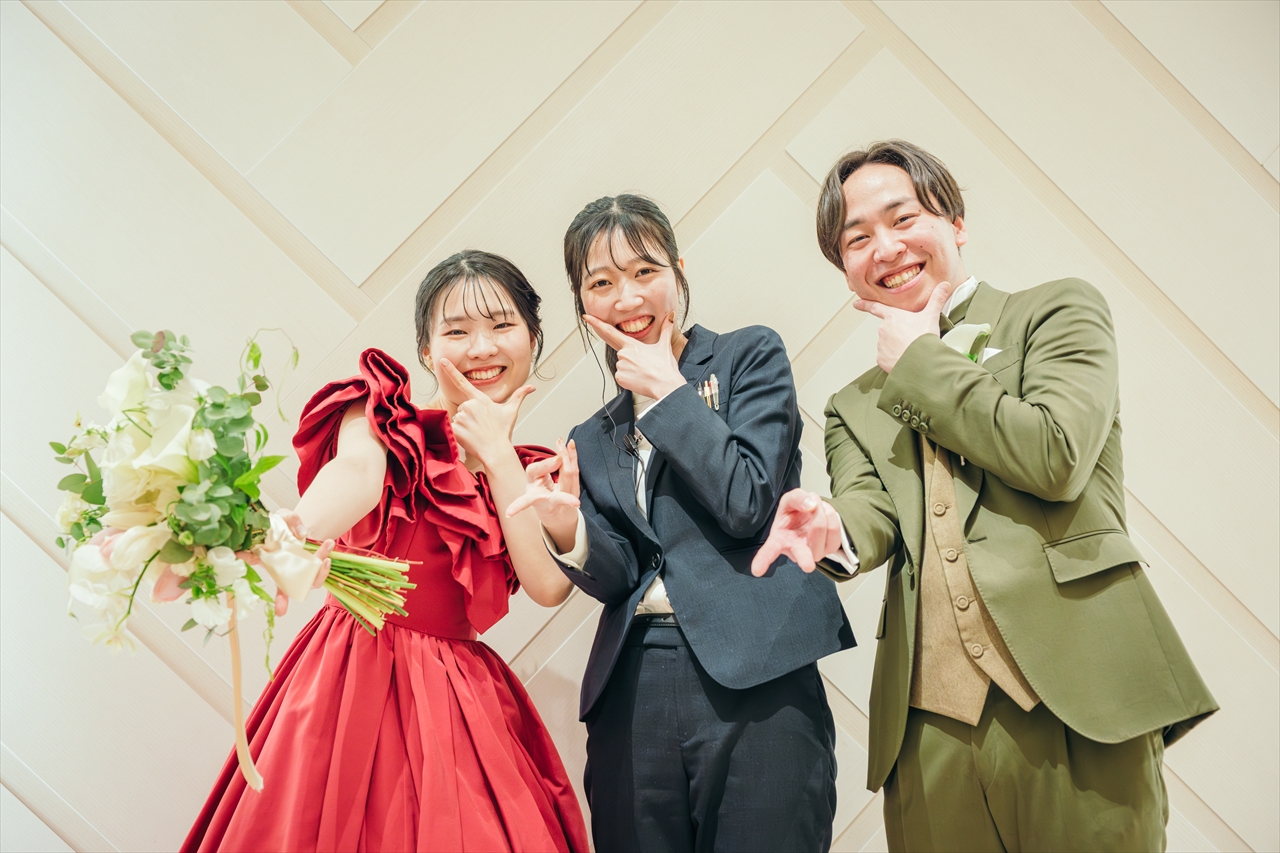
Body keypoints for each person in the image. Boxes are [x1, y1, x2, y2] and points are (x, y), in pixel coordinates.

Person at [752, 139, 1218, 852]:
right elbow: (872, 513)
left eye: (903, 218)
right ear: (844, 267)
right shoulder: (852, 404)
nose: (886, 248)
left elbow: (1055, 456)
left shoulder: (1057, 312)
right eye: (857, 238)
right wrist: (830, 525)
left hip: (1080, 698)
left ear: (956, 221)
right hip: (930, 727)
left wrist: (919, 360)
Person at [183, 250, 589, 852]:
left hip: (455, 695)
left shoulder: (531, 472)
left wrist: (500, 459)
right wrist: (290, 531)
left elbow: (548, 586)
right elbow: (357, 475)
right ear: (426, 350)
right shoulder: (386, 420)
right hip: (351, 674)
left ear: (533, 338)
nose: (481, 348)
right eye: (457, 332)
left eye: (502, 325)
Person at [508, 194, 854, 852]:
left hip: (757, 669)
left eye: (644, 271)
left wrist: (667, 391)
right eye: (601, 283)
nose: (627, 297)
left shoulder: (749, 357)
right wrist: (567, 529)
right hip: (633, 685)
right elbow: (620, 577)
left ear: (678, 270)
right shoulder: (593, 435)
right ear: (583, 302)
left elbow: (748, 500)